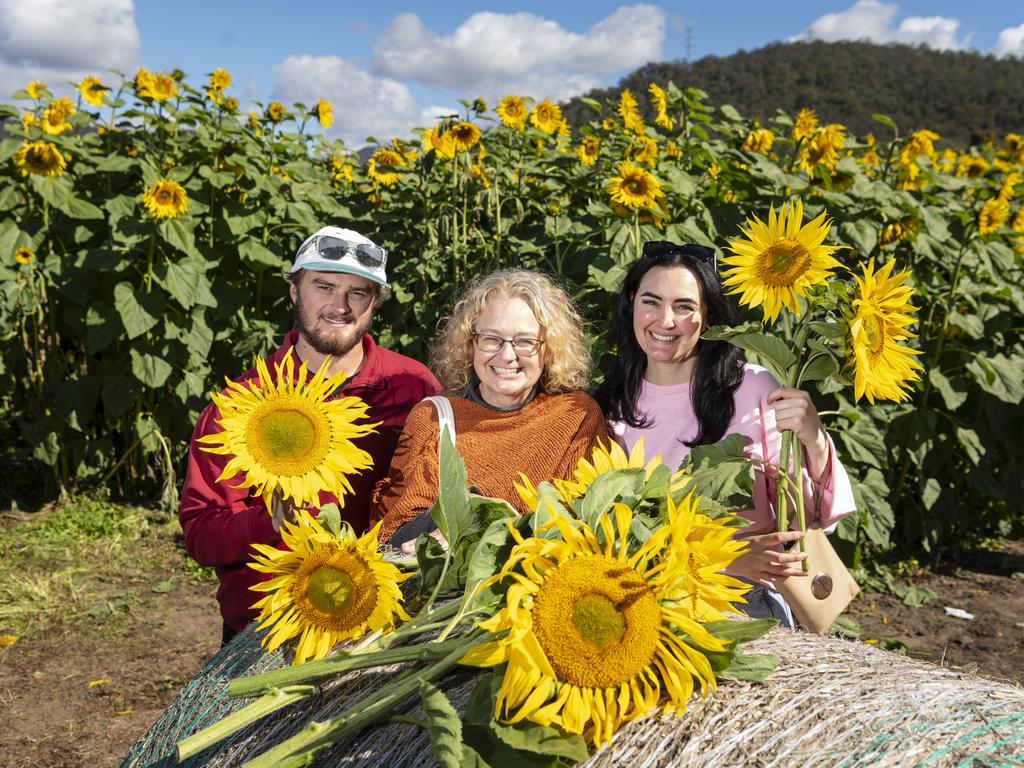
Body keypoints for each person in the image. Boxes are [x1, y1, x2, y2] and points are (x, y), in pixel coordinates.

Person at [180, 226, 440, 644]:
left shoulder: (412, 387)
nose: (340, 306)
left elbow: (442, 490)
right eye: (323, 286)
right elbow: (201, 533)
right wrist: (270, 522)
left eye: (358, 293)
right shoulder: (242, 404)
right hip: (267, 629)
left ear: (375, 303)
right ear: (294, 291)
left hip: (385, 622)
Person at [594, 240, 856, 627]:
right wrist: (723, 553)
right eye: (651, 301)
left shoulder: (751, 390)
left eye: (684, 307)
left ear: (708, 316)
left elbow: (812, 515)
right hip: (643, 593)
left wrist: (813, 438)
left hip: (739, 596)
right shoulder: (609, 404)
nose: (665, 321)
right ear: (631, 303)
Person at [370, 269, 608, 546]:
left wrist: (499, 520)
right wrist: (470, 507)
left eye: (525, 342)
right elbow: (393, 536)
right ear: (471, 344)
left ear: (550, 348)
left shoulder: (575, 417)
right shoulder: (434, 419)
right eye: (492, 339)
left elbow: (587, 524)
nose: (507, 356)